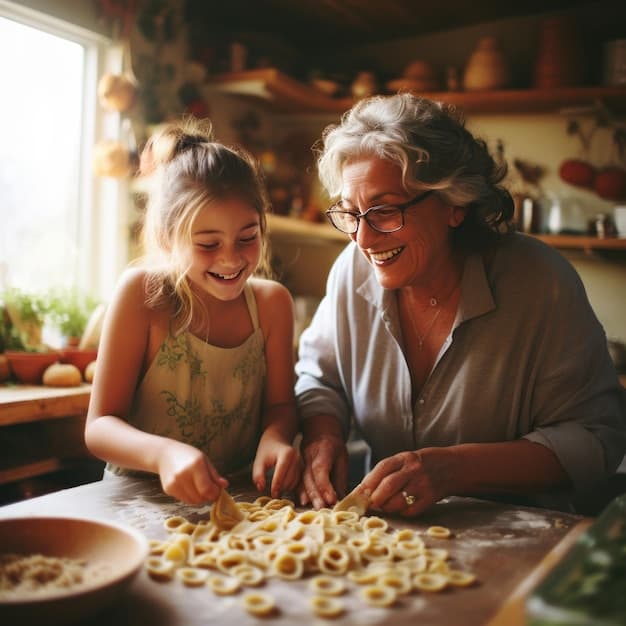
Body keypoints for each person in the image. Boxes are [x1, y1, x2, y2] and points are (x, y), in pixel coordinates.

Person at [295, 93, 626, 515]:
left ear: (454, 205)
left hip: (515, 540)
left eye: (384, 211)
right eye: (350, 213)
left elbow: (596, 437)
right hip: (383, 538)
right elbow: (320, 379)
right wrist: (323, 438)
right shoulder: (350, 271)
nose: (363, 239)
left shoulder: (541, 283)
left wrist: (455, 469)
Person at [85, 118, 301, 505]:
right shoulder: (142, 296)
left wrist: (276, 437)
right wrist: (164, 454)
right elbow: (100, 427)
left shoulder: (273, 305)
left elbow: (281, 406)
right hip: (138, 502)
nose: (231, 258)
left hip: (236, 503)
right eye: (207, 244)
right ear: (169, 238)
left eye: (247, 238)